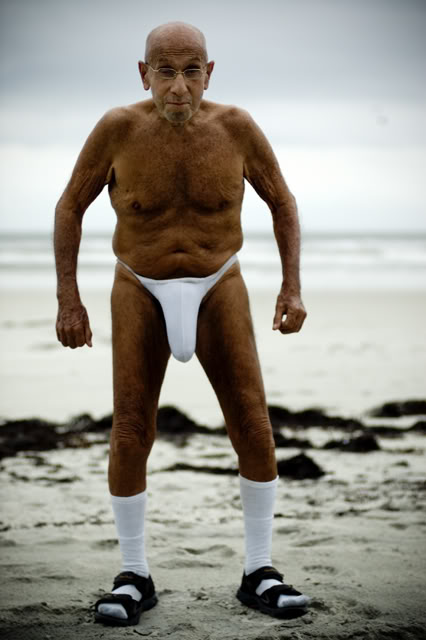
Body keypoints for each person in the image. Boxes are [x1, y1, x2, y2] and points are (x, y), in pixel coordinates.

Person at [54, 21, 309, 627]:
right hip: (137, 285)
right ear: (143, 74)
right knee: (130, 428)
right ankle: (133, 575)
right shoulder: (118, 129)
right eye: (165, 71)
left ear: (209, 74)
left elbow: (281, 200)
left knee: (253, 422)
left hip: (219, 280)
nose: (178, 86)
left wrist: (292, 286)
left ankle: (259, 570)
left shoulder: (237, 128)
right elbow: (70, 206)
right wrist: (69, 298)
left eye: (191, 71)